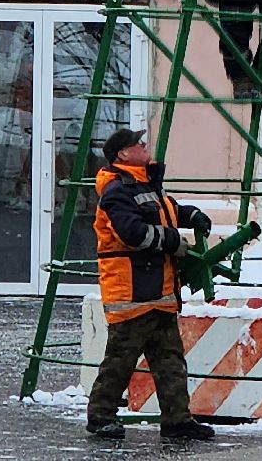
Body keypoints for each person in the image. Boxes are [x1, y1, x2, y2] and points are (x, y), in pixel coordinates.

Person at [86, 128, 215, 441]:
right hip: (132, 292)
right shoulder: (117, 191)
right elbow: (133, 233)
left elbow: (165, 212)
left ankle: (177, 419)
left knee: (170, 359)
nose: (144, 147)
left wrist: (191, 215)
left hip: (158, 291)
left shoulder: (144, 185)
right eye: (138, 144)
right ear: (123, 154)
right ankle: (100, 416)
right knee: (120, 359)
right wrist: (173, 240)